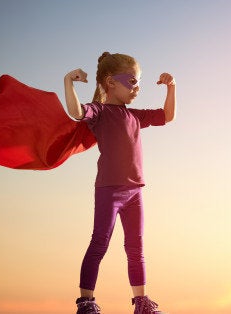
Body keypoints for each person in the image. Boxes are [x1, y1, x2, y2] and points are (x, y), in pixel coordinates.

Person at [64, 52, 175, 314]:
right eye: (132, 81)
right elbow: (76, 112)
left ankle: (141, 303)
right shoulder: (100, 112)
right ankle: (86, 302)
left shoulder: (136, 116)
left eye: (139, 83)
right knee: (99, 242)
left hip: (135, 191)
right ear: (111, 82)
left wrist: (172, 87)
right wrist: (68, 81)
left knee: (136, 246)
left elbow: (167, 116)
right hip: (109, 190)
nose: (137, 88)